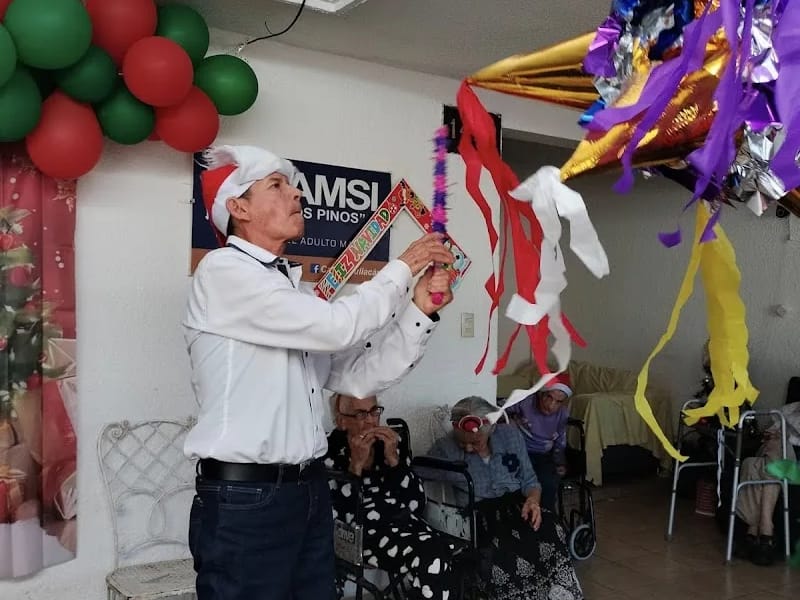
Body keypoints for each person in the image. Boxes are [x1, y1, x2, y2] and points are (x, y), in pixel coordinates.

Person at [182, 144, 454, 600]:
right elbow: (338, 327)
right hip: (245, 501)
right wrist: (402, 269)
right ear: (238, 207)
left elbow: (358, 377)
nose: (296, 194)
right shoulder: (222, 270)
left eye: (292, 184)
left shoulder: (292, 288)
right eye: (277, 185)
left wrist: (421, 311)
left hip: (307, 490)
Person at [429, 396, 583, 600]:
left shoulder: (510, 436)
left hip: (518, 506)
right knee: (500, 548)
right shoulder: (446, 448)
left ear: (491, 429)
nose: (467, 448)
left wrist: (533, 501)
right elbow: (418, 470)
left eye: (475, 442)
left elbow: (530, 480)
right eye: (461, 442)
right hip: (478, 515)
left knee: (551, 529)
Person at [325, 393, 461, 600]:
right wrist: (356, 467)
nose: (371, 420)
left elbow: (416, 503)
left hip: (404, 525)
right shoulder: (328, 453)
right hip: (359, 535)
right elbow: (339, 516)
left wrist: (394, 460)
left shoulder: (387, 446)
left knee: (447, 552)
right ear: (341, 420)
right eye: (361, 414)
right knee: (433, 556)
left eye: (374, 411)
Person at [735, 401, 800, 566]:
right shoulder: (788, 409)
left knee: (751, 464)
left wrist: (783, 434)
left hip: (793, 457)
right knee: (759, 458)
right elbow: (770, 429)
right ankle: (766, 530)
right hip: (771, 453)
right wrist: (772, 434)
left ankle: (754, 528)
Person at [506, 377, 572, 512]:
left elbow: (560, 440)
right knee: (514, 483)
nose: (551, 405)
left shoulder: (562, 414)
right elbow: (501, 408)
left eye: (558, 402)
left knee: (548, 484)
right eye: (549, 397)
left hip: (543, 455)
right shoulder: (526, 402)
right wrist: (507, 423)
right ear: (541, 393)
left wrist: (560, 463)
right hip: (519, 452)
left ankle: (546, 519)